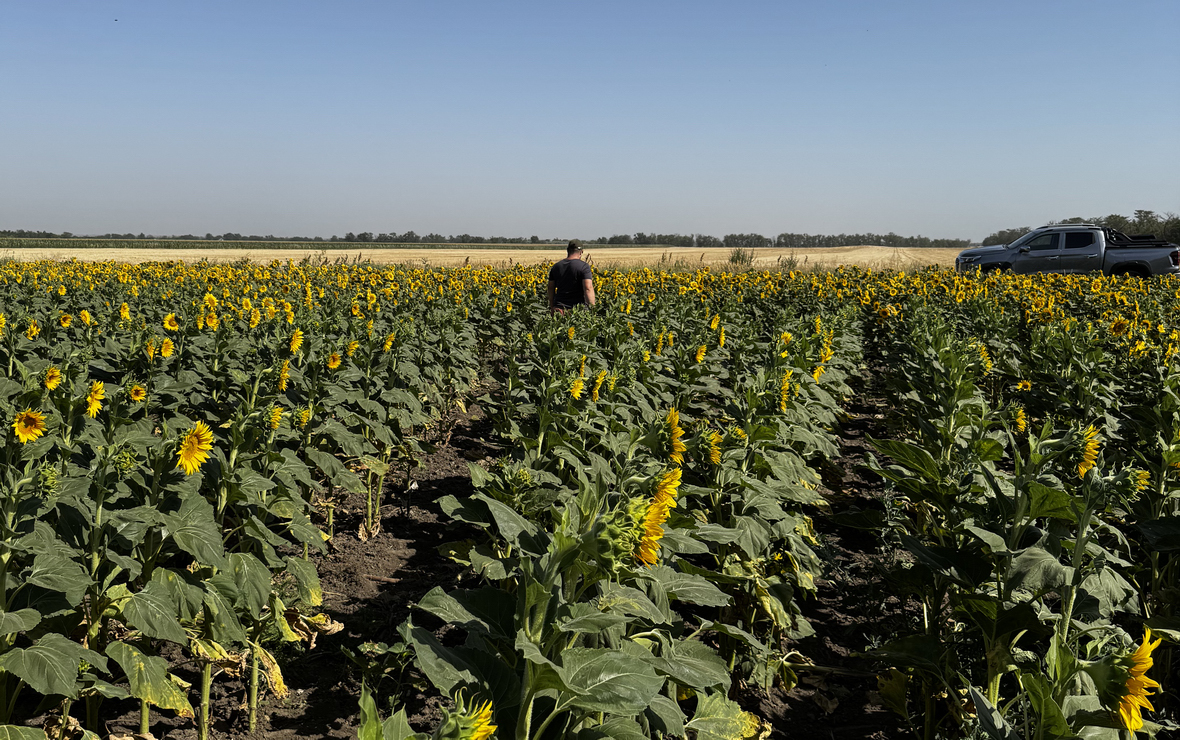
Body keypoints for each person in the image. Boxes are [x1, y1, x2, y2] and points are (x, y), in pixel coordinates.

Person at [547, 240, 595, 312]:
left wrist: (552, 307)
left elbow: (550, 288)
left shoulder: (556, 267)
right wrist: (592, 309)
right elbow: (588, 288)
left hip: (559, 310)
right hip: (577, 311)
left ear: (567, 250)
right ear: (581, 252)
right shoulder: (584, 267)